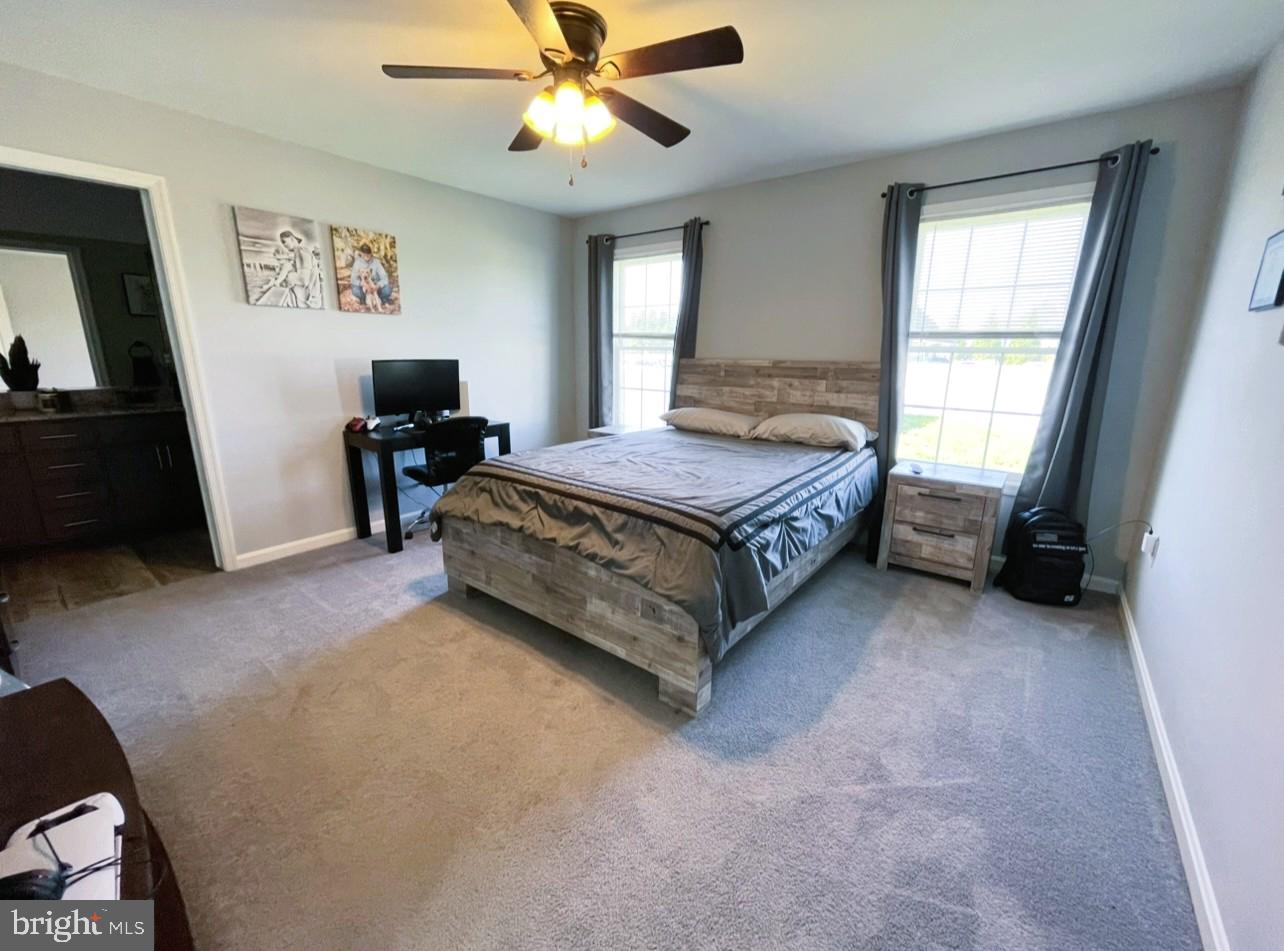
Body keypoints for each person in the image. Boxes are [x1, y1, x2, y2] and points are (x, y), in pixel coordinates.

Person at [257, 229, 321, 307]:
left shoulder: (302, 252)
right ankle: (275, 283)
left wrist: (288, 277)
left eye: (284, 241)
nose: (283, 245)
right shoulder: (299, 253)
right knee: (287, 265)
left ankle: (275, 283)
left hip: (307, 303)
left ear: (291, 239)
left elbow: (303, 280)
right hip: (304, 301)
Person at [350, 243, 394, 309]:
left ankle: (382, 299)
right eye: (364, 253)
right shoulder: (357, 263)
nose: (366, 255)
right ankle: (365, 300)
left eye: (368, 253)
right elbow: (353, 279)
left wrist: (377, 286)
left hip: (375, 287)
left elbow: (384, 278)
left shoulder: (376, 262)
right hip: (364, 288)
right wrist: (363, 284)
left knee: (387, 289)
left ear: (371, 253)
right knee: (355, 290)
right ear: (361, 253)